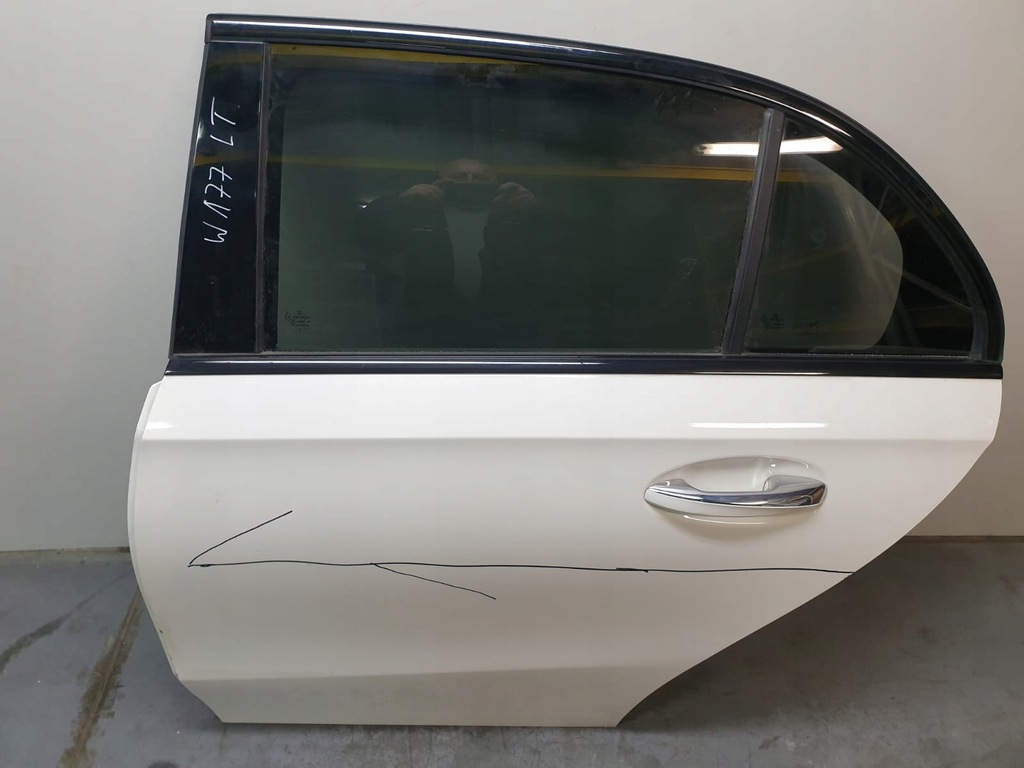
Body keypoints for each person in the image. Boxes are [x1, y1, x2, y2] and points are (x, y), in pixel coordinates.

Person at [356, 159, 578, 347]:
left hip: (509, 328)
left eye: (481, 178)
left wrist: (536, 209)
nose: (471, 182)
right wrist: (400, 201)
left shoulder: (515, 215)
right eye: (459, 176)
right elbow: (362, 236)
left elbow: (569, 244)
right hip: (426, 327)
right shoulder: (418, 214)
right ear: (438, 181)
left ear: (498, 183)